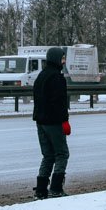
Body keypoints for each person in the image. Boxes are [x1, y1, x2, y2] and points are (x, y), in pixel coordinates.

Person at [32, 46, 71, 199]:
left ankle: (41, 190)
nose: (64, 61)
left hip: (40, 121)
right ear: (56, 59)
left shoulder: (41, 76)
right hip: (54, 122)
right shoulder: (57, 78)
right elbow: (59, 103)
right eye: (62, 58)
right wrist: (64, 121)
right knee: (62, 153)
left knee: (48, 155)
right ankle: (56, 188)